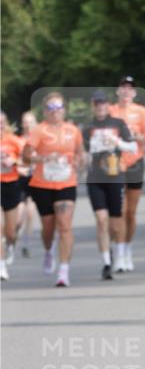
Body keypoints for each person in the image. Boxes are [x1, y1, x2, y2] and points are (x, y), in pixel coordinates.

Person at [23, 92, 83, 288]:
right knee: (48, 229)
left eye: (58, 108)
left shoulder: (73, 130)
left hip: (66, 182)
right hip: (42, 184)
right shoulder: (39, 131)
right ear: (45, 111)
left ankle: (63, 271)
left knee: (65, 226)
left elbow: (80, 154)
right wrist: (42, 159)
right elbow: (25, 157)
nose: (55, 112)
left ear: (64, 110)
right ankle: (49, 251)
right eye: (51, 108)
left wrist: (78, 161)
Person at [81, 91, 137, 281]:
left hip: (114, 176)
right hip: (95, 177)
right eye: (97, 104)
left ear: (108, 105)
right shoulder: (87, 127)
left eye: (103, 103)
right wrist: (87, 156)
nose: (100, 107)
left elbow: (133, 147)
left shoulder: (118, 124)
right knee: (101, 218)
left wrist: (117, 142)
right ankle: (106, 262)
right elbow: (82, 152)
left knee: (115, 222)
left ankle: (117, 253)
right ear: (92, 106)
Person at [110, 77, 145, 272]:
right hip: (114, 163)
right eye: (123, 88)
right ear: (117, 91)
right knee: (118, 210)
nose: (126, 92)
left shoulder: (141, 112)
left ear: (134, 93)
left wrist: (138, 137)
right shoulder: (111, 111)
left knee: (130, 212)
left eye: (130, 89)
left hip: (135, 162)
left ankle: (127, 248)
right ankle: (118, 251)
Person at [1, 112, 23, 280]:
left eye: (2, 123)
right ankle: (1, 266)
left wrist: (14, 162)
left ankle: (10, 244)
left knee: (10, 231)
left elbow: (27, 161)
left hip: (11, 185)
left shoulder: (14, 140)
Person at [16, 111, 38, 258]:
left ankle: (26, 243)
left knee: (30, 213)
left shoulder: (40, 140)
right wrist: (20, 167)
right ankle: (11, 238)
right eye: (25, 121)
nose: (28, 125)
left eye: (30, 121)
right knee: (18, 216)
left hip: (35, 179)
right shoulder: (18, 140)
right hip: (19, 178)